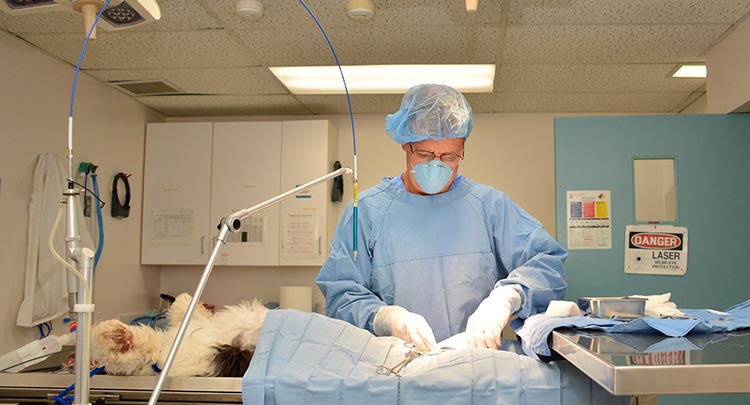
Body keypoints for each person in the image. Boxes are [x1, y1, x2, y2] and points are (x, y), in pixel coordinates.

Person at [316, 84, 567, 351]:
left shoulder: (489, 207)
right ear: (405, 144)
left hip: (475, 361)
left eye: (450, 156)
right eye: (424, 154)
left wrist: (506, 298)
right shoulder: (366, 212)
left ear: (463, 148)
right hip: (396, 367)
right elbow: (341, 295)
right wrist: (387, 318)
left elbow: (547, 264)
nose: (436, 164)